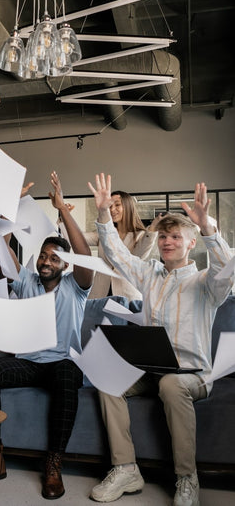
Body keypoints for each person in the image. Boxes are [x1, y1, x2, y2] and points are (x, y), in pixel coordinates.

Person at [88, 173, 234, 506]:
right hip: (153, 369)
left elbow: (227, 269)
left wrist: (208, 229)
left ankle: (187, 478)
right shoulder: (149, 273)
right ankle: (125, 468)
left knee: (171, 383)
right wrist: (102, 215)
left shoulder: (205, 283)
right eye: (164, 236)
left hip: (193, 376)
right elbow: (117, 255)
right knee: (107, 379)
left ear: (190, 243)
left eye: (176, 237)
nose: (168, 242)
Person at [0, 171, 94, 500]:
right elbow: (1, 247)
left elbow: (86, 258)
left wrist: (62, 209)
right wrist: (8, 208)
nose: (46, 261)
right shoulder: (26, 281)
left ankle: (53, 464)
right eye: (43, 255)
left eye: (55, 258)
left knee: (68, 373)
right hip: (27, 363)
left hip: (61, 363)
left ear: (65, 265)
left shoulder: (76, 287)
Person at [61, 190, 159, 300]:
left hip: (128, 296)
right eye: (110, 206)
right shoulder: (103, 234)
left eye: (117, 205)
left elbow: (138, 256)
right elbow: (74, 239)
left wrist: (152, 230)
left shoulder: (140, 235)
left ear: (128, 207)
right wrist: (64, 218)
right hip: (100, 293)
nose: (112, 210)